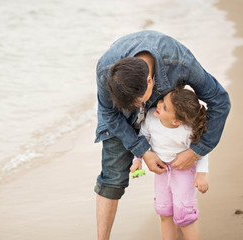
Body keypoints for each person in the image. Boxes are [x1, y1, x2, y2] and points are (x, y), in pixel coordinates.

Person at [94, 30, 230, 240]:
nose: (136, 109)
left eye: (138, 103)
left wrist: (196, 152)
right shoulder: (105, 69)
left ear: (150, 81)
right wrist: (143, 152)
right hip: (117, 117)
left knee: (177, 188)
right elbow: (109, 114)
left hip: (163, 111)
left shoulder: (180, 61)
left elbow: (220, 101)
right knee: (111, 178)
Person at [130, 87, 209, 240]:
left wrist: (201, 175)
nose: (158, 105)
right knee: (164, 212)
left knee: (185, 217)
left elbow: (201, 152)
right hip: (162, 172)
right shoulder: (151, 119)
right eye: (161, 100)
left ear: (177, 121)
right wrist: (138, 159)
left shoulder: (187, 131)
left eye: (164, 107)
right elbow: (143, 138)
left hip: (184, 172)